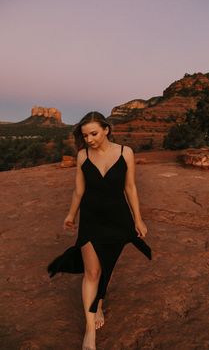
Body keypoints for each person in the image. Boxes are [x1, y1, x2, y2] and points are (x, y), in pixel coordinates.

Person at [47, 111, 152, 350]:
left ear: (106, 129)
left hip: (118, 220)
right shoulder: (83, 155)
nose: (89, 140)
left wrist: (138, 219)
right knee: (92, 272)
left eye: (93, 133)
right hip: (91, 220)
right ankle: (89, 329)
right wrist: (71, 214)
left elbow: (131, 188)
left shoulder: (126, 152)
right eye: (85, 136)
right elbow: (78, 190)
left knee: (106, 265)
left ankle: (99, 302)